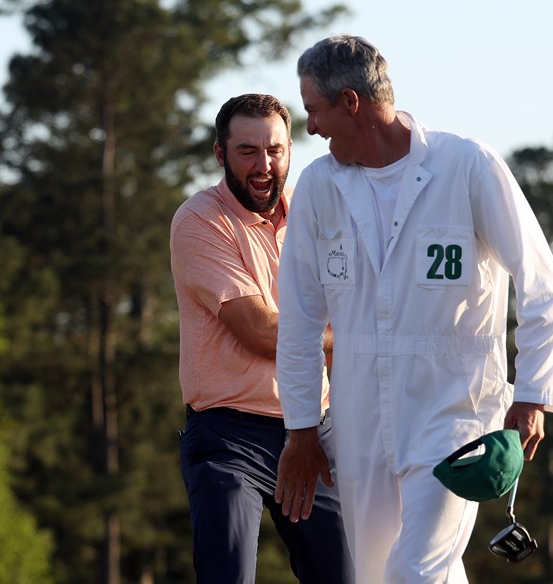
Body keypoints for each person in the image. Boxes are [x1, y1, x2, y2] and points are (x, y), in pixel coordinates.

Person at [273, 35, 553, 583]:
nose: (310, 128)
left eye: (315, 110)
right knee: (379, 573)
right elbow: (298, 320)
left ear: (352, 103)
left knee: (414, 571)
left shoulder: (467, 165)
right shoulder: (318, 185)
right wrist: (302, 429)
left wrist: (534, 394)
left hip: (454, 412)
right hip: (361, 420)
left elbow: (541, 284)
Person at [170, 93, 353, 584]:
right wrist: (360, 334)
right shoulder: (199, 219)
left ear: (290, 150)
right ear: (220, 155)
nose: (263, 164)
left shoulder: (320, 218)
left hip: (314, 428)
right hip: (229, 437)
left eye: (274, 150)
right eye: (247, 151)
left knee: (346, 575)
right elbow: (260, 332)